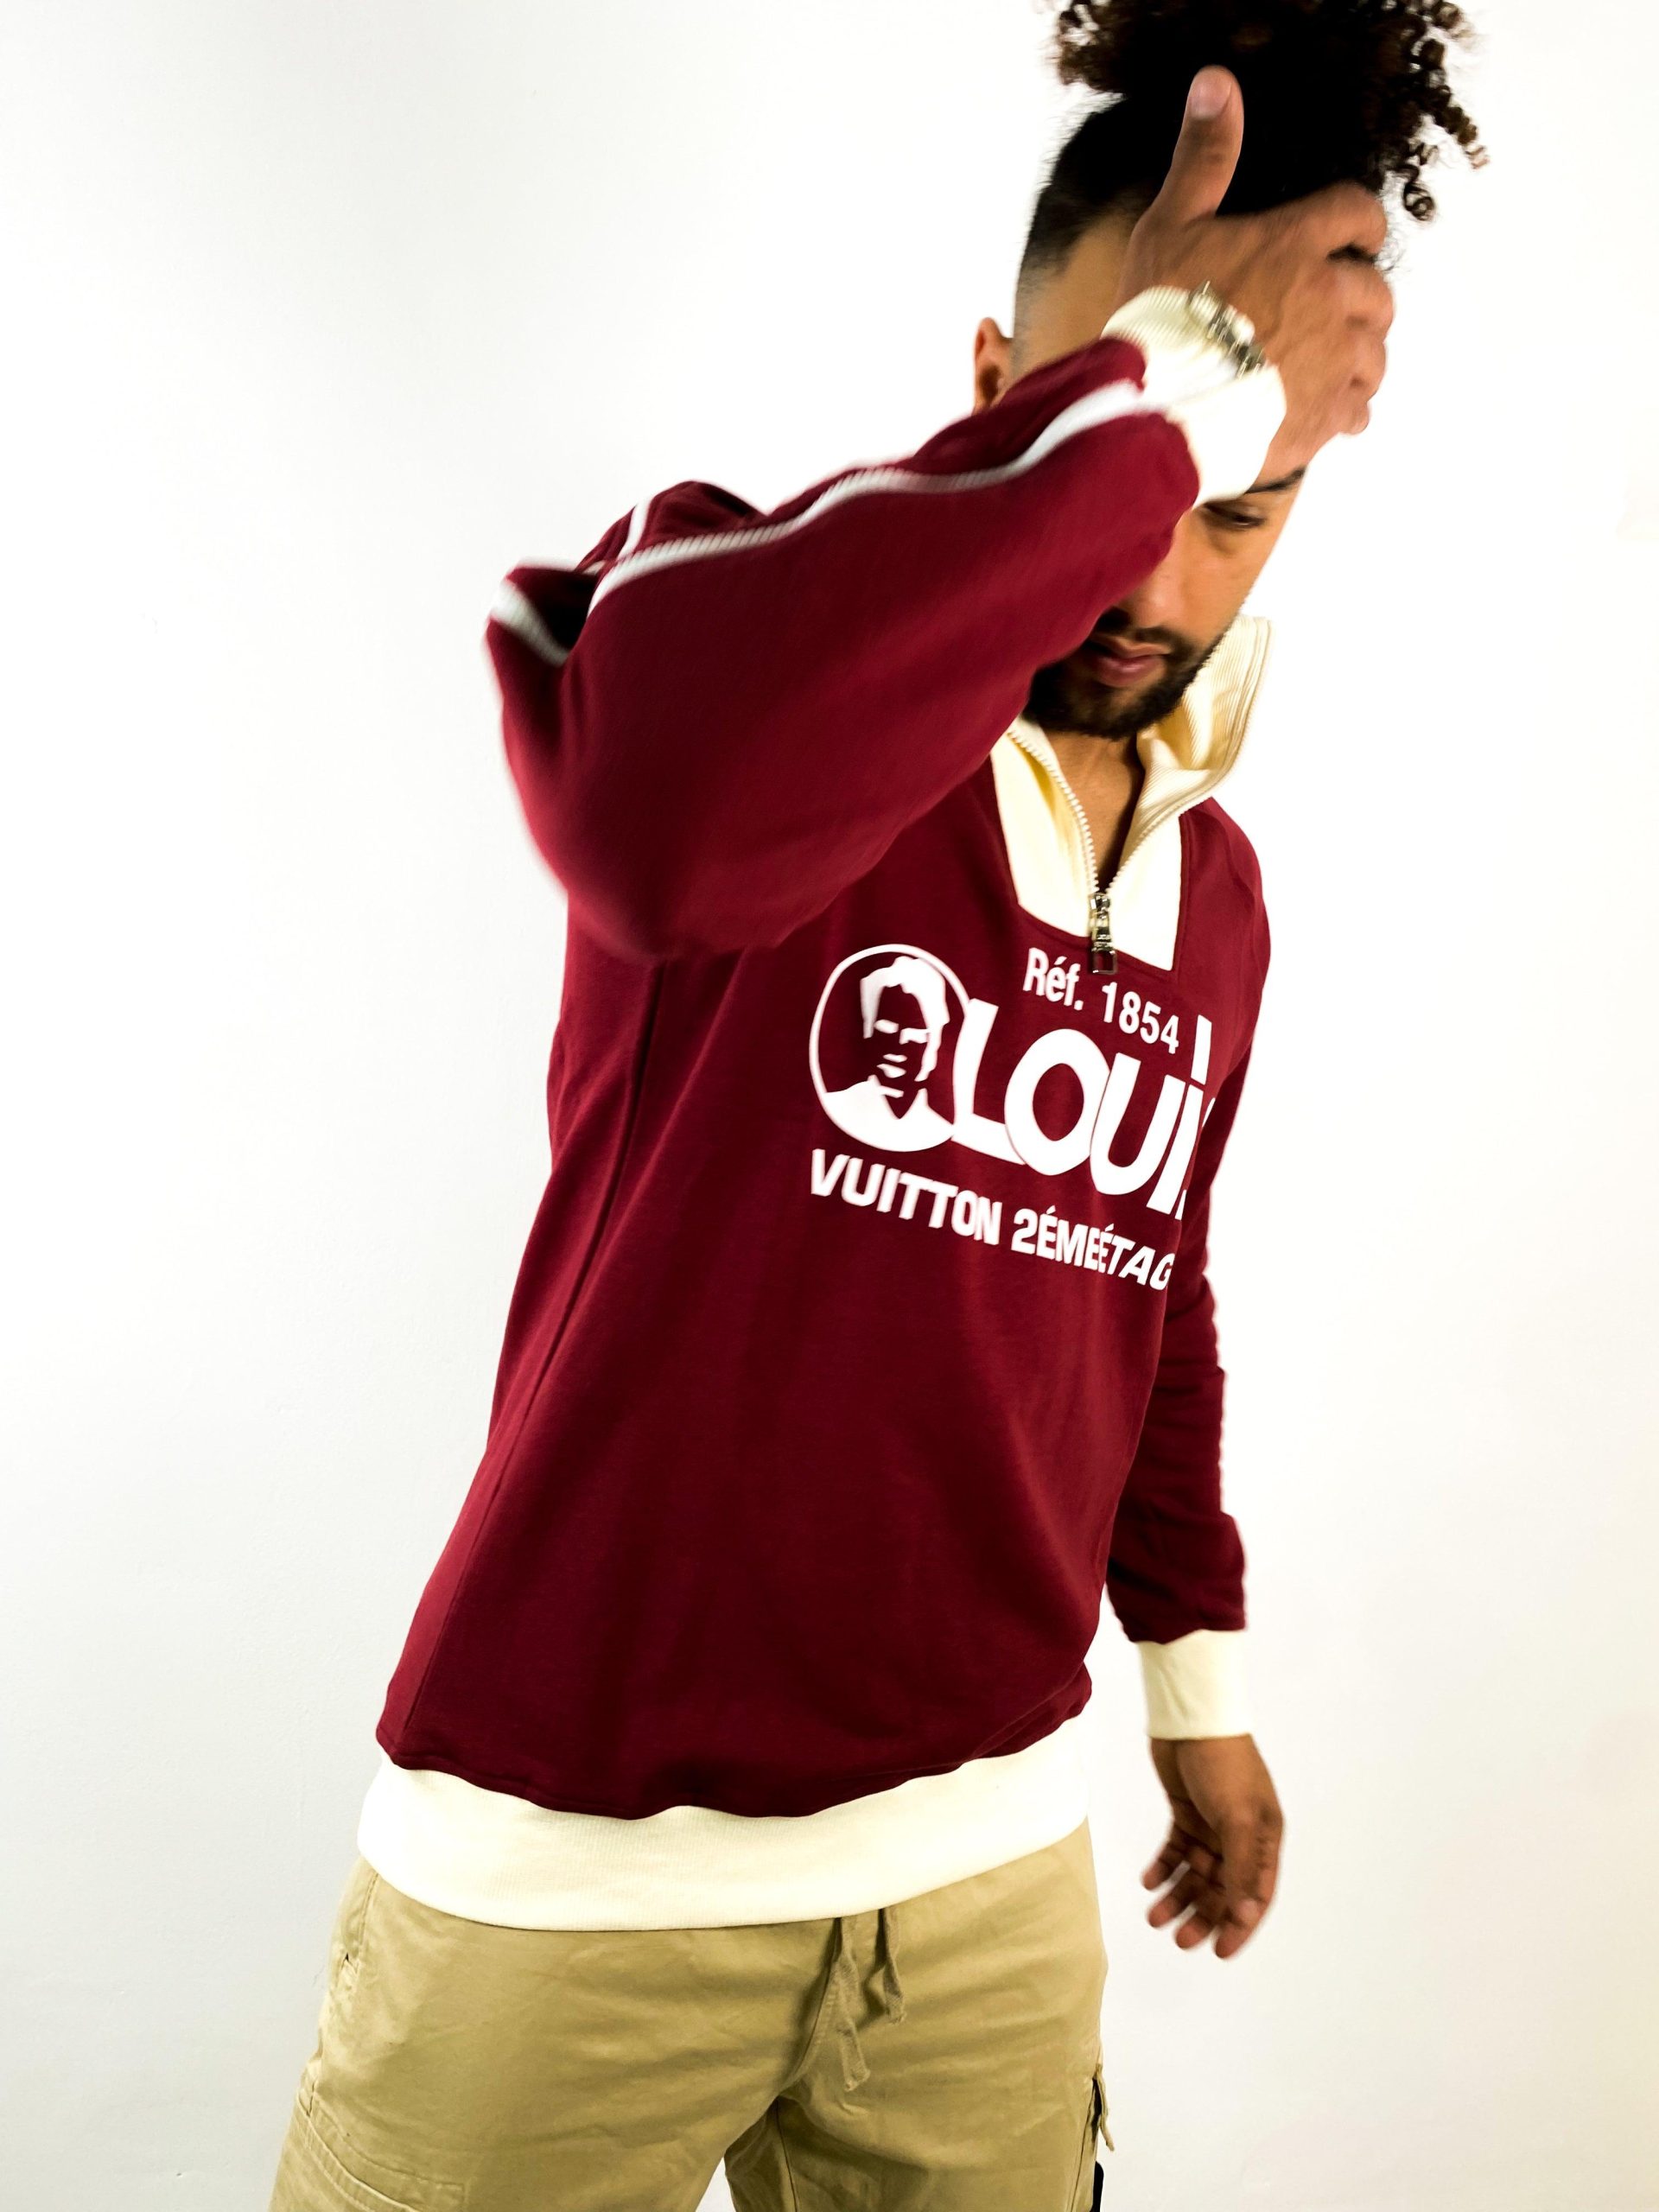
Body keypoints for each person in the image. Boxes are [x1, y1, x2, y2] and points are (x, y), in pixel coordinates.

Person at [270, 5, 1483, 2207]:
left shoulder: (1210, 889)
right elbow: (648, 816)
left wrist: (1194, 1677)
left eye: (1242, 507)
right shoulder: (750, 643)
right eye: (1139, 459)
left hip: (986, 1882)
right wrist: (1176, 395)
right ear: (1013, 389)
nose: (1158, 577)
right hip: (576, 1875)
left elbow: (1141, 1285)